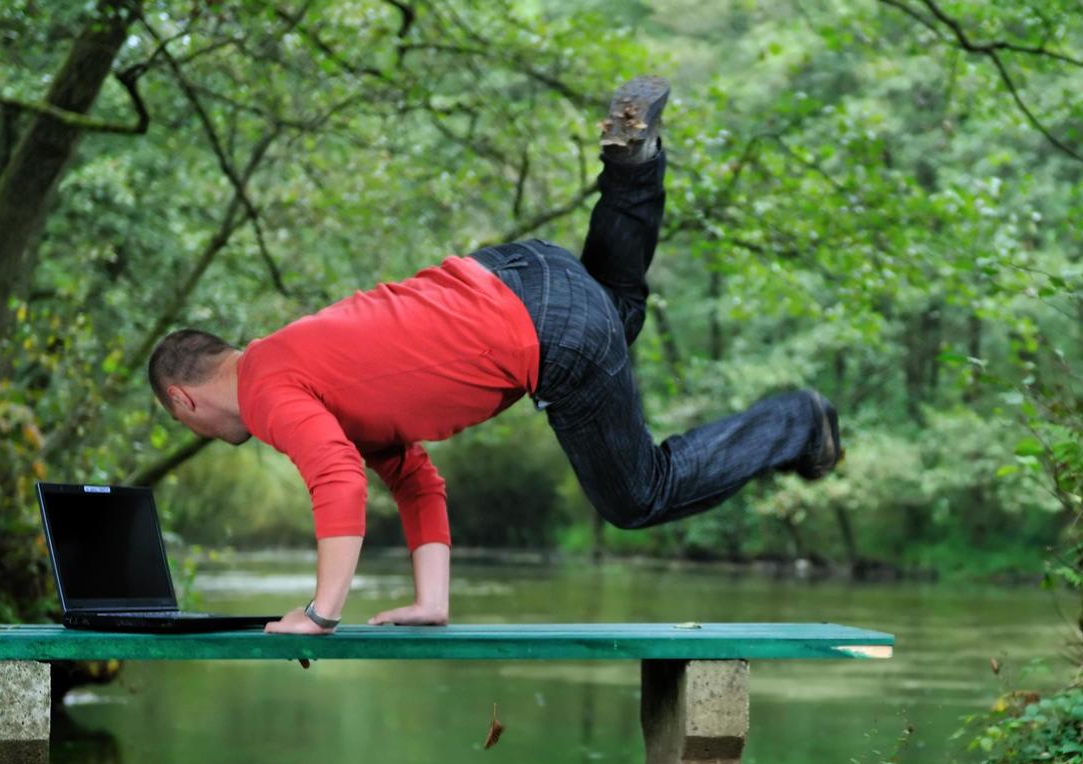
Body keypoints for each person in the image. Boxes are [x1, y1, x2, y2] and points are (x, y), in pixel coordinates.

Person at [147, 76, 841, 635]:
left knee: (639, 496)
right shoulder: (304, 368)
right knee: (617, 313)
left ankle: (797, 422)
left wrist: (320, 613)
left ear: (185, 399)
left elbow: (336, 483)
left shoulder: (267, 395)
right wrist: (431, 601)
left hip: (547, 334)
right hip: (521, 273)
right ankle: (633, 167)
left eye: (186, 424)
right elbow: (412, 481)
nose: (202, 434)